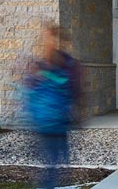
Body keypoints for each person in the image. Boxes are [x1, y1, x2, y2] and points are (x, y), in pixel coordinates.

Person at [23, 24, 81, 189]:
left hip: (44, 121)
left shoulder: (40, 65)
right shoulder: (69, 65)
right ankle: (52, 183)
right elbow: (75, 92)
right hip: (56, 120)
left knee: (54, 161)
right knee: (56, 161)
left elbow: (30, 91)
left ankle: (53, 182)